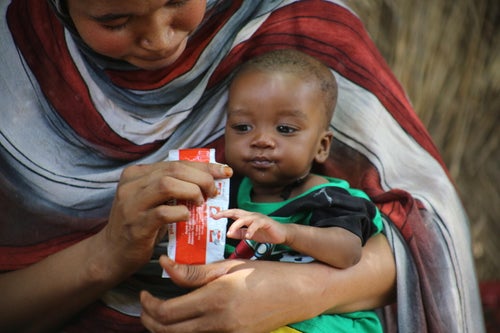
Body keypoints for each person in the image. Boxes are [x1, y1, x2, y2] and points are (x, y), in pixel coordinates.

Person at [0, 0, 484, 333]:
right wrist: (107, 254)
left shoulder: (293, 29)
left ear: (322, 144)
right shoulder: (13, 56)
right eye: (114, 18)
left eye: (175, 0)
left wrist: (301, 290)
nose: (159, 38)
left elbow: (422, 234)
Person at [212, 49, 384, 332]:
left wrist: (288, 233)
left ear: (322, 146)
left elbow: (348, 251)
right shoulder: (224, 195)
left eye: (285, 129)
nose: (262, 140)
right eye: (243, 127)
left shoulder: (329, 198)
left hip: (325, 322)